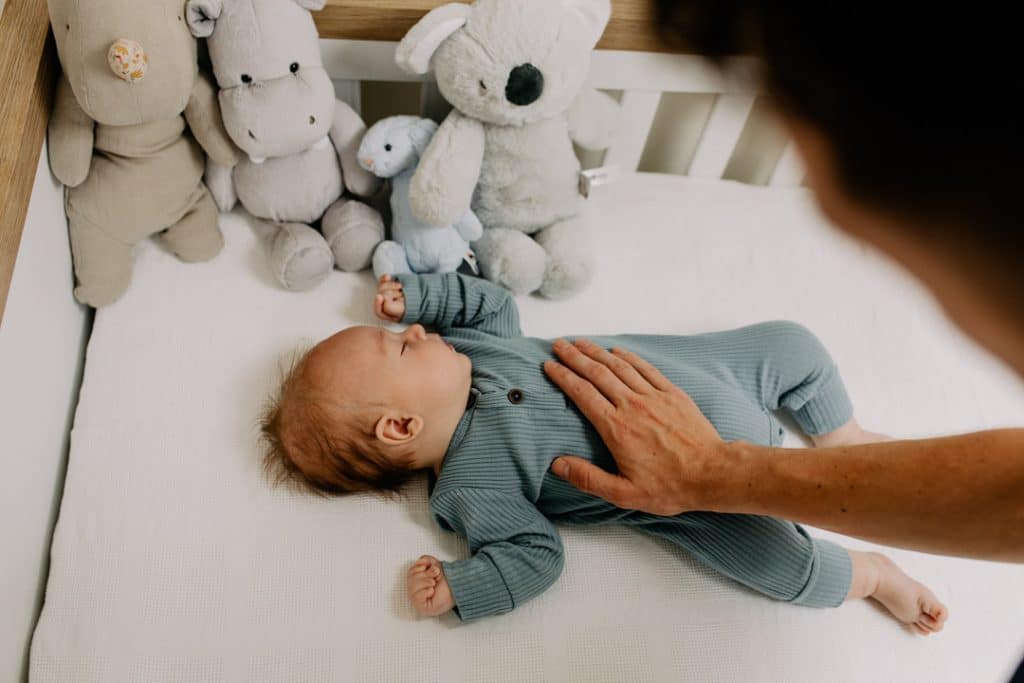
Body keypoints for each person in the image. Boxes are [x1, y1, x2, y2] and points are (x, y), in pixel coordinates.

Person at [540, 3, 1022, 676]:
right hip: (699, 471)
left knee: (789, 349)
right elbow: (1010, 493)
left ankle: (854, 496)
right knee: (772, 553)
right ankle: (858, 523)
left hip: (707, 434)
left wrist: (711, 472)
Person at [259, 273, 948, 633]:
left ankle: (843, 436)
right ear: (401, 426)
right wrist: (464, 586)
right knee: (782, 564)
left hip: (711, 372)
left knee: (792, 343)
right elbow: (535, 556)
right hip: (701, 499)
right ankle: (871, 575)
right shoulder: (470, 489)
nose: (414, 328)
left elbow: (489, 301)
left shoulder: (477, 346)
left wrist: (428, 291)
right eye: (402, 346)